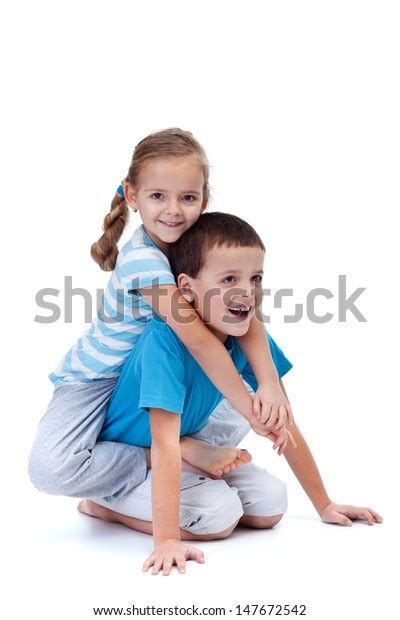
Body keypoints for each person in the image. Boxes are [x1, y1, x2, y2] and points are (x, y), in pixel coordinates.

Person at [77, 213, 383, 576]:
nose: (246, 292)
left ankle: (198, 469)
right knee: (218, 519)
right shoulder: (164, 344)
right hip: (138, 458)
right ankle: (103, 505)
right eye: (229, 280)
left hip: (183, 444)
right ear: (186, 288)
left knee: (272, 506)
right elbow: (164, 446)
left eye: (255, 279)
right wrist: (167, 540)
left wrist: (325, 504)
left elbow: (285, 419)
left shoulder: (244, 332)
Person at [28, 128, 291, 504]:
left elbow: (247, 316)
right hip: (98, 379)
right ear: (133, 196)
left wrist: (266, 385)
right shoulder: (142, 260)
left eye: (187, 197)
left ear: (204, 198)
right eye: (157, 196)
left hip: (156, 370)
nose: (173, 210)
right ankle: (174, 453)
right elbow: (197, 339)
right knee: (49, 467)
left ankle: (181, 451)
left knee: (249, 393)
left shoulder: (203, 241)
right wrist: (251, 413)